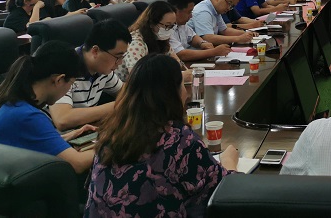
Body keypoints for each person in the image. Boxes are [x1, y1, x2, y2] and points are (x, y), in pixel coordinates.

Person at [85, 54, 238, 217]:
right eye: (182, 85)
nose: (186, 94)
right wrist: (229, 161)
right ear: (172, 93)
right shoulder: (181, 141)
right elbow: (227, 193)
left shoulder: (109, 133)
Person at [0, 41, 96, 173]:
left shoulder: (9, 101)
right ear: (59, 80)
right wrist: (109, 147)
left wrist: (70, 135)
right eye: (72, 84)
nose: (70, 88)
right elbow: (78, 164)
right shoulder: (27, 116)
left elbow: (30, 140)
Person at [49, 19, 131, 131]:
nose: (120, 62)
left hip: (83, 132)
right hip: (53, 135)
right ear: (95, 51)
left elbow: (125, 93)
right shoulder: (64, 68)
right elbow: (62, 119)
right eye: (117, 57)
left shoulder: (103, 70)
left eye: (122, 57)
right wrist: (118, 105)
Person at [116, 1, 186, 81]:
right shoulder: (136, 43)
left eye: (172, 26)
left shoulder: (160, 39)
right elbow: (137, 77)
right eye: (167, 25)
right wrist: (179, 76)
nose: (169, 29)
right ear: (152, 23)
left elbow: (177, 62)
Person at [167, 0, 232, 63]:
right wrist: (214, 52)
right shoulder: (166, 28)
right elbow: (181, 55)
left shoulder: (181, 24)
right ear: (176, 11)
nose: (191, 16)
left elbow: (192, 37)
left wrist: (202, 43)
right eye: (189, 12)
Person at [188, 0, 258, 46]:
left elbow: (224, 30)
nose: (229, 8)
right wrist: (238, 38)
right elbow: (208, 38)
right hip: (194, 51)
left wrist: (246, 33)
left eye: (231, 6)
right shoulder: (203, 11)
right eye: (229, 3)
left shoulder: (216, 10)